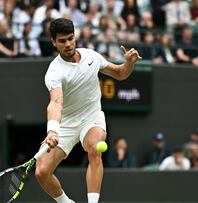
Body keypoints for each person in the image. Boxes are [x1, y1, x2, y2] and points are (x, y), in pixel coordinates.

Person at [35, 18, 142, 203]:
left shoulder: (91, 56)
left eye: (70, 38)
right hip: (66, 122)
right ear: (53, 42)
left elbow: (120, 73)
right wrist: (52, 130)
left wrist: (129, 64)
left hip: (91, 117)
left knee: (94, 148)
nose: (68, 44)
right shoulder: (54, 72)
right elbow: (55, 103)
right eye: (62, 41)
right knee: (42, 172)